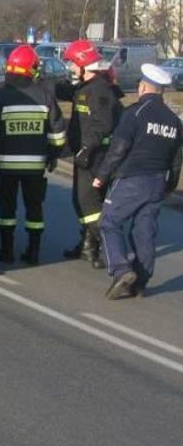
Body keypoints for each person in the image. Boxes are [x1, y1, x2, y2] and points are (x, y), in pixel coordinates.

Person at [94, 64, 183, 299]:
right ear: (161, 91)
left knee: (109, 222)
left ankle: (121, 270)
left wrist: (102, 176)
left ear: (143, 87)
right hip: (157, 181)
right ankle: (141, 283)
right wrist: (169, 186)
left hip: (132, 177)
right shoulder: (174, 121)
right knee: (145, 230)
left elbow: (118, 148)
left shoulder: (135, 113)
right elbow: (176, 160)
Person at [0, 44, 66, 264]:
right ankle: (33, 252)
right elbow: (58, 134)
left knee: (6, 209)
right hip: (35, 166)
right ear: (32, 68)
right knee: (34, 209)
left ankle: (6, 250)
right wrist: (51, 156)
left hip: (6, 166)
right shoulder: (44, 95)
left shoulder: (0, 95)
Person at [55, 39, 123, 268]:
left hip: (95, 156)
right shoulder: (86, 87)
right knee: (81, 201)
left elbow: (102, 124)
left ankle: (110, 249)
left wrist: (87, 148)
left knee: (88, 203)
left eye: (74, 63)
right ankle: (87, 245)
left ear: (84, 64)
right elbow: (68, 92)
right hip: (85, 154)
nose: (72, 68)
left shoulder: (101, 91)